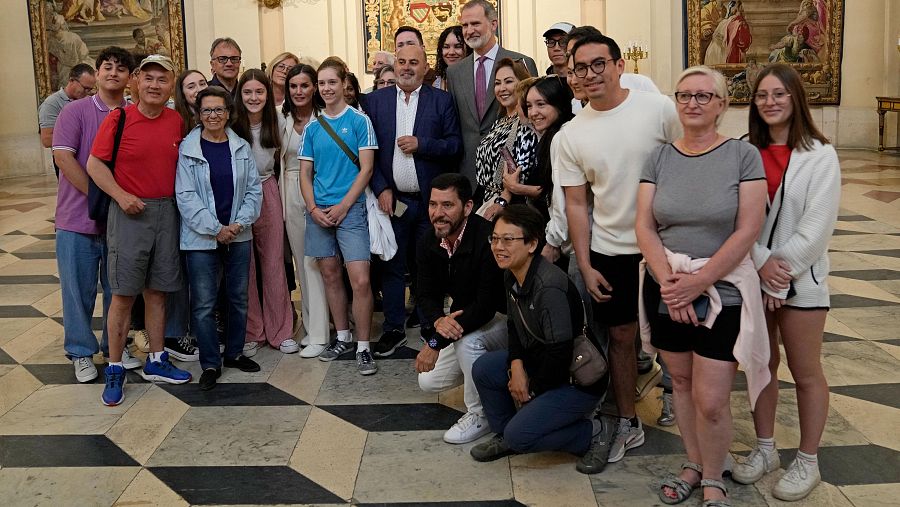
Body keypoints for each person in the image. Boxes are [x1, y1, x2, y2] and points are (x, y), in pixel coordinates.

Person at [635, 65, 768, 506]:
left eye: (703, 96)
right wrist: (670, 282)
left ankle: (714, 475)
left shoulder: (741, 156)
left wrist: (700, 282)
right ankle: (693, 464)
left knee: (712, 398)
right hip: (668, 283)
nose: (692, 103)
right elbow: (645, 225)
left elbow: (749, 227)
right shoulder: (659, 157)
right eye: (684, 95)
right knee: (681, 381)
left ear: (721, 105)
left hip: (722, 288)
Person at [556, 32, 681, 472]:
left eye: (598, 64)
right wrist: (586, 265)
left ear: (618, 64)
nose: (590, 74)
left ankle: (689, 412)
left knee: (678, 337)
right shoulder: (571, 135)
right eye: (580, 68)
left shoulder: (660, 110)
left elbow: (690, 158)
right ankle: (627, 420)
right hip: (612, 248)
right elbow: (576, 203)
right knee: (621, 338)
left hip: (669, 247)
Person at [732, 63, 840, 502]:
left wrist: (778, 277)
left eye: (779, 94)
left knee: (806, 370)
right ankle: (764, 450)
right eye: (762, 95)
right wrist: (760, 265)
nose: (770, 102)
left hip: (802, 281)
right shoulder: (744, 151)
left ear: (796, 98)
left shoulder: (820, 153)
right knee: (761, 366)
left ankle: (808, 461)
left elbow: (817, 227)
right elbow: (737, 218)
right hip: (753, 274)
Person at [86, 55, 193, 406]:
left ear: (170, 84)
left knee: (159, 290)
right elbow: (94, 164)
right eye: (148, 78)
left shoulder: (176, 121)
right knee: (123, 293)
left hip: (167, 211)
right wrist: (120, 195)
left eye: (162, 79)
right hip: (129, 212)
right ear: (135, 81)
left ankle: (157, 359)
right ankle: (115, 366)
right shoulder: (119, 118)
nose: (154, 85)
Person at [469, 204, 607, 468]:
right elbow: (515, 327)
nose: (498, 246)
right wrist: (516, 365)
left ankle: (592, 432)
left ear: (532, 244)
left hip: (574, 379)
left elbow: (560, 353)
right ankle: (507, 434)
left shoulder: (549, 286)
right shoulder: (512, 274)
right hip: (540, 361)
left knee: (521, 437)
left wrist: (530, 389)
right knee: (485, 369)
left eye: (508, 240)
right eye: (495, 239)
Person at [364, 45, 462, 358]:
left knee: (428, 266)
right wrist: (381, 187)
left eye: (413, 63)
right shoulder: (375, 101)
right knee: (392, 265)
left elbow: (454, 145)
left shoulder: (442, 100)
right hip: (392, 200)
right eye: (402, 62)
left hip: (431, 203)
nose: (407, 68)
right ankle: (393, 327)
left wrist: (423, 144)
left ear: (425, 67)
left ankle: (429, 324)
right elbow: (367, 152)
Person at [52, 47, 139, 383]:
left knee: (119, 288)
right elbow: (64, 158)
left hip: (122, 222)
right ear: (98, 72)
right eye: (107, 67)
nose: (113, 73)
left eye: (121, 68)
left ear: (130, 77)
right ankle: (80, 352)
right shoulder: (75, 112)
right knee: (78, 289)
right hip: (78, 219)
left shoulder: (134, 114)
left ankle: (115, 346)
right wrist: (103, 196)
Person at [176, 86, 263, 390]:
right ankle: (211, 363)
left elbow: (254, 190)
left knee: (238, 298)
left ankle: (235, 352)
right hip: (201, 239)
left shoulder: (240, 147)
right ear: (198, 115)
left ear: (228, 113)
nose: (213, 115)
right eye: (207, 110)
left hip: (239, 236)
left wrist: (238, 224)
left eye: (219, 110)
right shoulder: (188, 150)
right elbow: (185, 197)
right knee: (204, 303)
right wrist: (216, 228)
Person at [299, 57, 379, 375]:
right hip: (319, 211)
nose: (327, 88)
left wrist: (345, 205)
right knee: (331, 275)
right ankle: (342, 337)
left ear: (343, 83)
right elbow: (304, 174)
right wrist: (313, 209)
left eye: (332, 82)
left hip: (351, 209)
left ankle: (363, 346)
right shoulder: (313, 128)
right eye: (322, 83)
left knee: (360, 279)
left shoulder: (359, 121)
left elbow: (368, 168)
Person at [416, 173, 508, 444]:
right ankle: (494, 385)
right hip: (466, 316)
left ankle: (481, 414)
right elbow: (425, 293)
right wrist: (438, 321)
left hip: (504, 320)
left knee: (467, 341)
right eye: (433, 205)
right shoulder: (429, 240)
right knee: (429, 382)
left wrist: (436, 341)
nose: (438, 213)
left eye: (447, 205)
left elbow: (485, 308)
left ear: (467, 207)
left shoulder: (486, 240)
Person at [231, 69, 296, 355]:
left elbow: (282, 159)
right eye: (248, 92)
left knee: (272, 263)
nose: (253, 97)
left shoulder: (278, 120)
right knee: (246, 266)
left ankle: (280, 331)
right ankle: (251, 332)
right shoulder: (231, 123)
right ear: (240, 95)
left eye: (259, 92)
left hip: (267, 188)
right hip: (238, 194)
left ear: (268, 95)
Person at [446, 0, 538, 186]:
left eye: (475, 23)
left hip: (513, 174)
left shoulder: (520, 62)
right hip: (469, 174)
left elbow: (535, 119)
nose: (469, 30)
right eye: (465, 25)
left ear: (493, 24)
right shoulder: (454, 72)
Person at [280, 64, 331, 359]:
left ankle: (322, 332)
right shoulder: (280, 117)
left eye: (304, 85)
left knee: (319, 261)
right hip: (289, 189)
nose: (299, 91)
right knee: (301, 262)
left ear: (315, 87)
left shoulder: (325, 118)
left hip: (319, 188)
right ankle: (312, 326)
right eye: (293, 86)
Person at [474, 58, 537, 219]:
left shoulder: (527, 122)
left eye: (508, 81)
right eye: (497, 83)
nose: (502, 88)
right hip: (487, 201)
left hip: (509, 209)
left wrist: (502, 200)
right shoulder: (500, 121)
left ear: (522, 84)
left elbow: (521, 172)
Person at [509, 75, 573, 224]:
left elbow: (562, 202)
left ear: (559, 104)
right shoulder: (548, 136)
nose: (533, 112)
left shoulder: (563, 137)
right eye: (529, 106)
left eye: (541, 104)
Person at [40, 63, 96, 153]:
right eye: (85, 88)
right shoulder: (52, 103)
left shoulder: (89, 101)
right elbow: (47, 139)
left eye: (90, 89)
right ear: (71, 80)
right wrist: (83, 137)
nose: (87, 92)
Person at [432, 25, 470, 91]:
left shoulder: (476, 78)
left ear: (468, 49)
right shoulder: (438, 83)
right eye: (446, 47)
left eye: (458, 46)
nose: (451, 52)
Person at [174, 69, 208, 134]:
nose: (199, 89)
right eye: (191, 87)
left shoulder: (220, 113)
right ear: (182, 93)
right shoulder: (176, 121)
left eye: (202, 84)